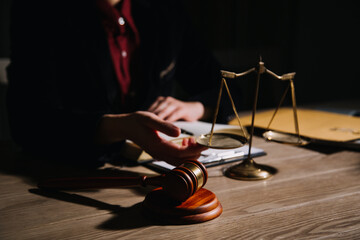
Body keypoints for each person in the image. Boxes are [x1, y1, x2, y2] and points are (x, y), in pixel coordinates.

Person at [6, 0, 233, 167]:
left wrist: (196, 107)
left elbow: (226, 87)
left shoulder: (166, 10)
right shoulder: (37, 11)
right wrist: (121, 127)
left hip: (156, 174)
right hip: (66, 172)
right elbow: (28, 123)